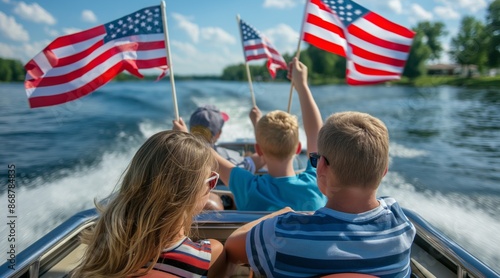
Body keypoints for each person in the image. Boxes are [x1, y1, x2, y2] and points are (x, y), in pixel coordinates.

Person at [223, 108, 417, 277]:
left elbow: (231, 247)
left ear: (321, 167)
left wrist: (279, 215)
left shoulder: (282, 232)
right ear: (384, 170)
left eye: (315, 159)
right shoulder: (401, 225)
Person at [70, 131, 227, 278]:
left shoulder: (104, 243)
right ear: (188, 195)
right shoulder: (209, 256)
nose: (211, 187)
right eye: (211, 180)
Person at [213, 57, 326, 211]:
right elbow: (316, 134)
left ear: (258, 150)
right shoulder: (316, 182)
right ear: (298, 148)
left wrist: (184, 134)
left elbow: (208, 154)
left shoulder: (248, 187)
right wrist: (302, 85)